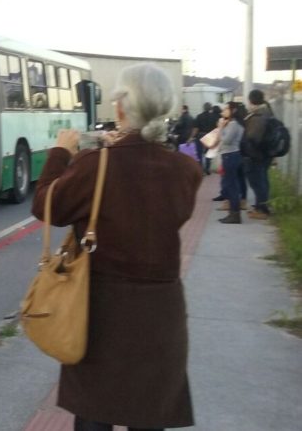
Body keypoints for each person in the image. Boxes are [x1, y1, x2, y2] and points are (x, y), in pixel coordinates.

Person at [32, 63, 200, 431]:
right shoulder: (186, 170)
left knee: (95, 409)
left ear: (121, 106)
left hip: (101, 311)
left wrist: (61, 153)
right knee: (150, 410)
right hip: (161, 313)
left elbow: (46, 206)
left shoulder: (96, 165)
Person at [208, 102, 246, 223]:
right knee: (232, 184)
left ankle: (235, 214)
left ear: (233, 110)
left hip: (231, 155)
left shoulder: (234, 124)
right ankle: (233, 213)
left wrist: (220, 128)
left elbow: (226, 140)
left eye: (226, 109)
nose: (223, 111)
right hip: (231, 155)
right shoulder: (234, 123)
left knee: (231, 185)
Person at [241, 89, 273, 219]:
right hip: (265, 154)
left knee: (257, 182)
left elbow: (253, 137)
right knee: (262, 180)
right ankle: (261, 206)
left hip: (256, 155)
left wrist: (247, 151)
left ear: (251, 101)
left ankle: (262, 210)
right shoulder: (268, 112)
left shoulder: (258, 116)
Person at [193, 102, 219, 175]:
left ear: (203, 108)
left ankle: (201, 170)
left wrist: (191, 137)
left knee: (199, 153)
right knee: (209, 153)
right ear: (210, 108)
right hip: (210, 136)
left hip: (200, 135)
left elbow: (196, 128)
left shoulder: (199, 116)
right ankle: (207, 169)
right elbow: (217, 127)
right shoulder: (214, 117)